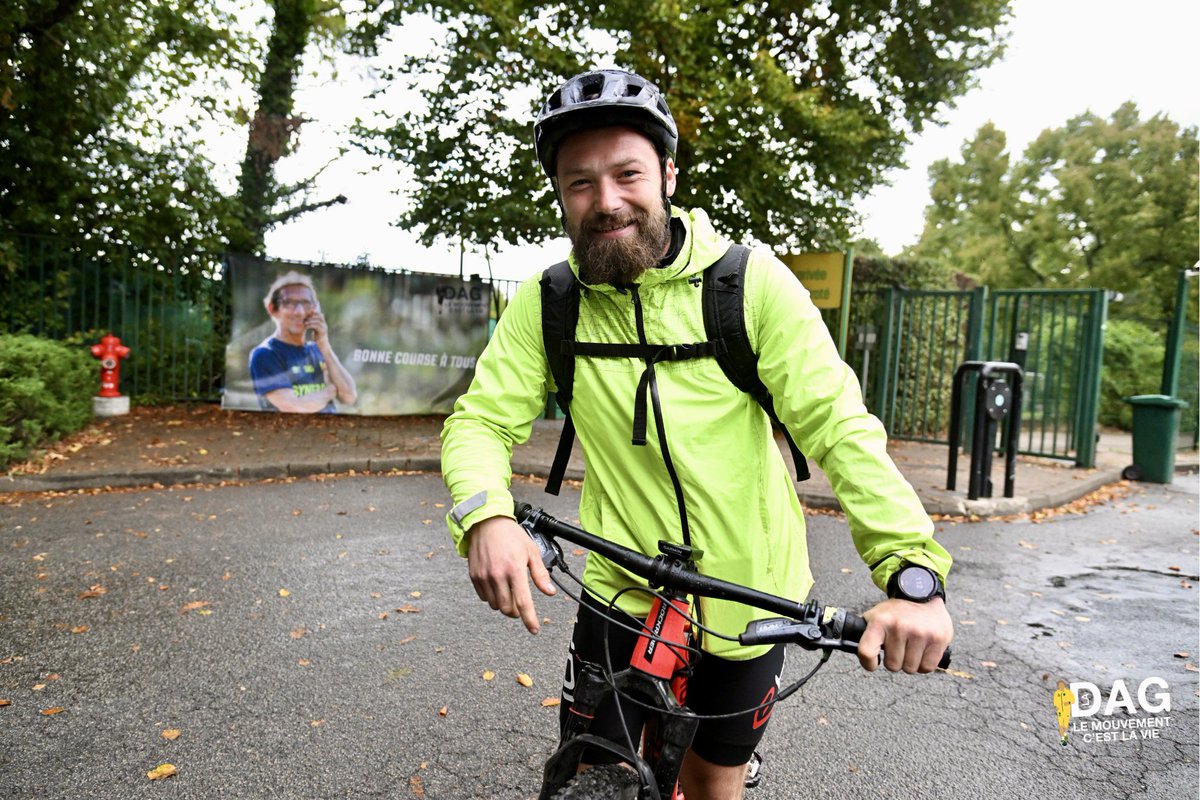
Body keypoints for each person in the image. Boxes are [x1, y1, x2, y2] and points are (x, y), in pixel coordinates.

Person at [440, 68, 953, 798]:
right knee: (588, 769)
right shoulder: (551, 299)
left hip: (751, 599)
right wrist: (485, 514)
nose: (606, 201)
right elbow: (481, 421)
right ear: (559, 194)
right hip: (618, 588)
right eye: (580, 182)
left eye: (627, 174)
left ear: (668, 175)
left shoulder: (749, 285)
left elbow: (838, 425)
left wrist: (911, 573)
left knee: (714, 783)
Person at [249, 271, 358, 413]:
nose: (299, 312)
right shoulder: (265, 354)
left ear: (315, 309)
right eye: (290, 303)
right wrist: (331, 390)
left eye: (306, 303)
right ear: (273, 309)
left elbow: (349, 397)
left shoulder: (317, 349)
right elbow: (293, 407)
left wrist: (324, 346)